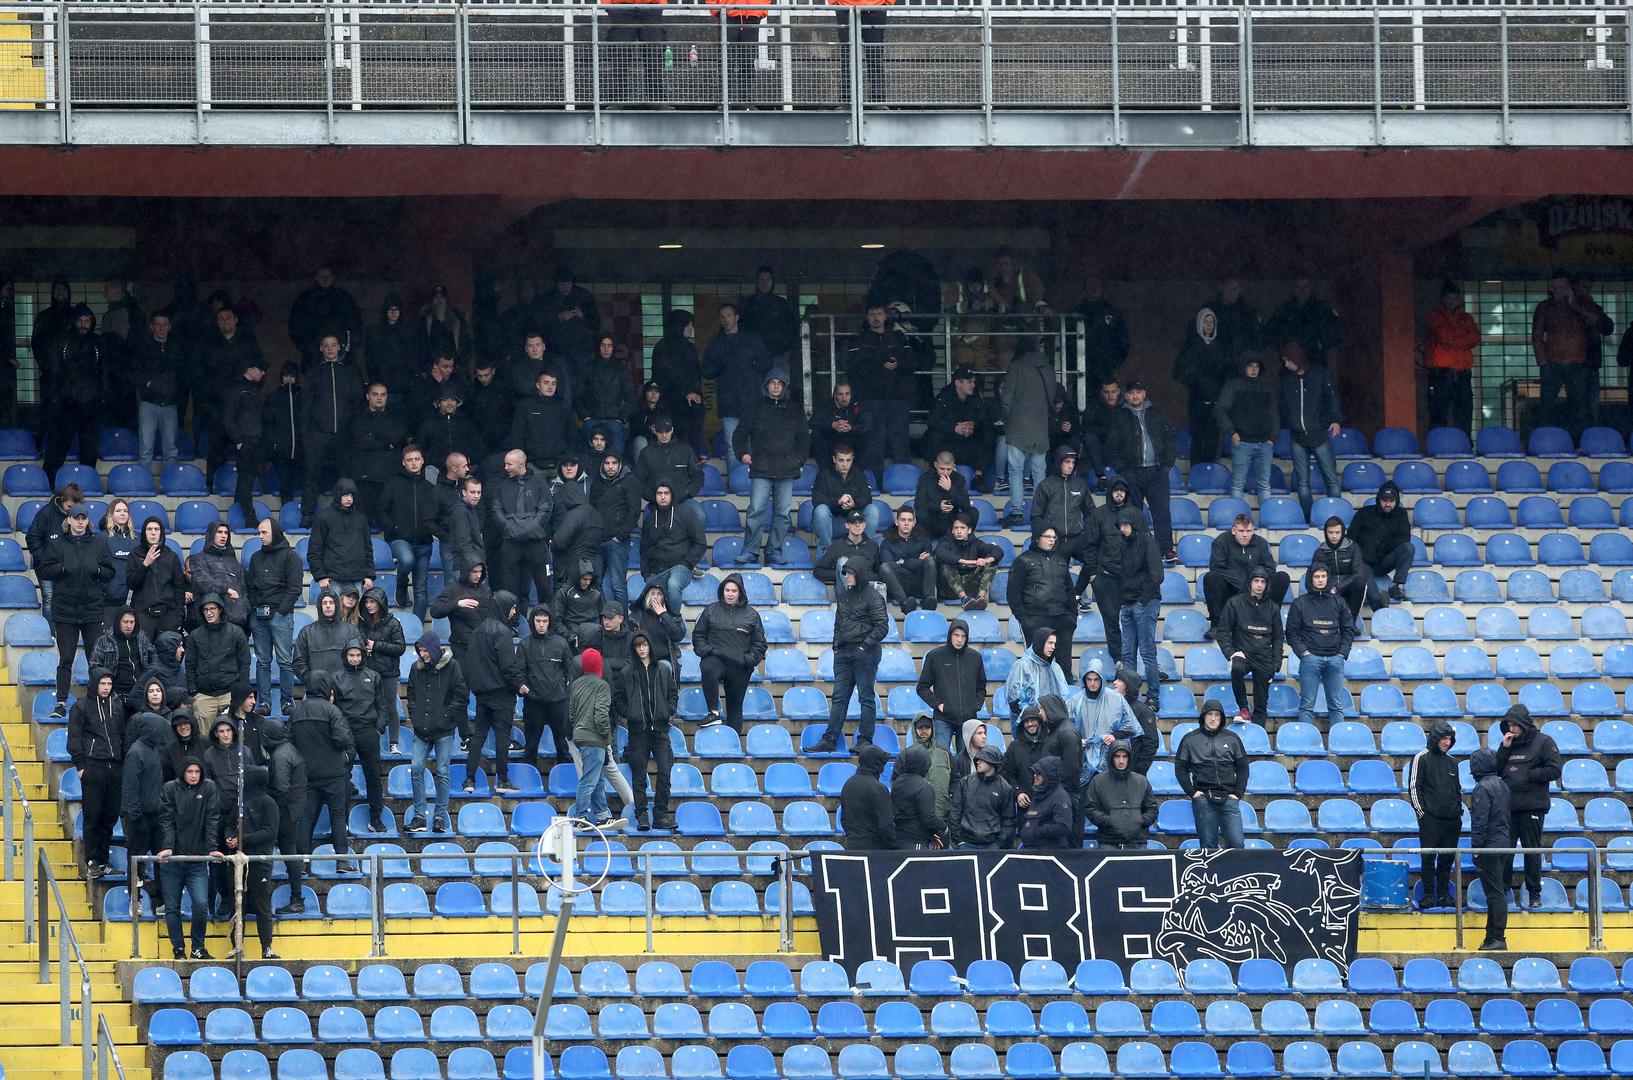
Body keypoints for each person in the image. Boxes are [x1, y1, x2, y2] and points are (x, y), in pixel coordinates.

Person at [38, 502, 114, 716]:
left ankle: (97, 701)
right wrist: (62, 568)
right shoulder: (57, 544)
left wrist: (97, 569)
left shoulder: (98, 543)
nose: (80, 522)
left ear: (88, 521)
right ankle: (61, 702)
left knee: (96, 659)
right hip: (65, 611)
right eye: (76, 518)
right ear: (69, 520)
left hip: (92, 609)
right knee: (66, 658)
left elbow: (110, 572)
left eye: (83, 518)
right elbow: (44, 569)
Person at [732, 367, 808, 566]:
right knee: (756, 510)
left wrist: (800, 459)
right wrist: (742, 454)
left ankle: (774, 551)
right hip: (761, 467)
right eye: (772, 382)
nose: (776, 386)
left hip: (787, 468)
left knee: (782, 513)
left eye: (780, 383)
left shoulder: (795, 408)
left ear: (784, 386)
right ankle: (750, 550)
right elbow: (739, 433)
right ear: (766, 385)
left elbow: (804, 438)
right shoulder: (754, 407)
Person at [812, 564, 887, 753]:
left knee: (866, 697)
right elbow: (838, 624)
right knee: (839, 697)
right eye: (845, 573)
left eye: (850, 573)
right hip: (844, 653)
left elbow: (882, 627)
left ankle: (865, 741)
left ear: (859, 574)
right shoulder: (844, 596)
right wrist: (836, 646)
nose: (846, 576)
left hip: (866, 653)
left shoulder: (874, 596)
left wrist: (864, 646)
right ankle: (830, 739)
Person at [1495, 704, 1561, 911]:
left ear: (1524, 723)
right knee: (1506, 851)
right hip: (1509, 807)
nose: (1511, 728)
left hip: (1533, 807)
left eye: (1515, 724)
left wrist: (1531, 775)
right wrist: (1504, 748)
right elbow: (1496, 769)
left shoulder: (1544, 742)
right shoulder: (1508, 744)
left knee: (1532, 851)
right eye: (1509, 724)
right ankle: (1504, 892)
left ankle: (1534, 893)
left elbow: (1554, 769)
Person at [291, 669, 356, 875]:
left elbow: (289, 742)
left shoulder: (296, 712)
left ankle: (302, 862)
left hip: (308, 775)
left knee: (306, 818)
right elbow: (343, 740)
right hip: (334, 773)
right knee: (338, 816)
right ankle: (342, 861)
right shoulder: (332, 711)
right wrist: (344, 758)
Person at [156, 757, 222, 959]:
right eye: (189, 771)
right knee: (172, 907)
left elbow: (212, 818)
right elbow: (166, 819)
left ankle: (197, 947)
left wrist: (212, 848)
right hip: (173, 861)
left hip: (197, 860)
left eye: (197, 772)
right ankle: (178, 949)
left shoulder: (209, 788)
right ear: (183, 772)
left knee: (201, 904)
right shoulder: (170, 789)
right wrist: (167, 847)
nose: (194, 775)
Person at [463, 591, 527, 794]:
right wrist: (518, 685)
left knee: (478, 737)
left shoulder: (477, 631)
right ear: (504, 607)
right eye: (513, 607)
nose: (515, 611)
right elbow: (508, 666)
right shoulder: (503, 632)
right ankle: (503, 780)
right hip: (501, 694)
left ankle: (469, 780)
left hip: (482, 694)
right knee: (502, 737)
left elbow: (469, 664)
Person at [1106, 381, 1178, 563]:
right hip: (1132, 471)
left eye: (1138, 392)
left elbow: (1170, 441)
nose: (1135, 396)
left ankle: (1166, 549)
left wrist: (1166, 466)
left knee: (1162, 512)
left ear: (1145, 393)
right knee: (1132, 513)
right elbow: (1112, 446)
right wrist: (1123, 470)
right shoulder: (1119, 416)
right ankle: (1134, 550)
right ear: (1126, 395)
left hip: (1157, 470)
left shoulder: (1158, 414)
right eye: (1131, 393)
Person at [404, 632, 466, 834]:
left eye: (425, 650)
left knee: (442, 771)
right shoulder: (416, 668)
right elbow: (411, 695)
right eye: (420, 651)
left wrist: (445, 718)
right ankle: (419, 815)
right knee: (416, 768)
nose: (423, 655)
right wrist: (416, 717)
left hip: (444, 730)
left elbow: (460, 696)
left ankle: (440, 815)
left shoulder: (453, 667)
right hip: (421, 729)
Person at [1532, 271, 1607, 438]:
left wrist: (1576, 306)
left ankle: (1578, 442)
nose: (1560, 290)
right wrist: (1543, 362)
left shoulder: (1583, 305)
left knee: (1579, 407)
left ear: (1570, 287)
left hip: (1578, 363)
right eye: (1556, 286)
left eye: (1563, 286)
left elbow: (1597, 322)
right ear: (1551, 288)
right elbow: (1537, 337)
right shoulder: (1544, 307)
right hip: (1553, 362)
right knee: (1547, 406)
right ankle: (1545, 440)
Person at [300, 333, 364, 526]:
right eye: (326, 345)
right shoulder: (313, 372)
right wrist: (306, 434)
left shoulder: (350, 372)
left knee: (347, 476)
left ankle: (348, 512)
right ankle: (308, 514)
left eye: (333, 345)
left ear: (339, 347)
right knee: (311, 475)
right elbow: (305, 406)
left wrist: (355, 432)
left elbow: (357, 403)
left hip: (344, 434)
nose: (330, 349)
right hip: (318, 434)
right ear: (321, 349)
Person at [69, 667, 125, 879]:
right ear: (94, 684)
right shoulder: (80, 707)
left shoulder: (117, 707)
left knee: (109, 816)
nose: (106, 687)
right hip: (93, 766)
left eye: (109, 684)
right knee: (92, 816)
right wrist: (81, 766)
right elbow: (74, 738)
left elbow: (122, 735)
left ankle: (104, 860)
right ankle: (92, 860)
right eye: (102, 683)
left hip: (115, 767)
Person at [692, 574, 767, 732]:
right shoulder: (711, 610)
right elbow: (698, 636)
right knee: (707, 667)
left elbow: (760, 644)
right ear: (722, 591)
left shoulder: (752, 614)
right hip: (716, 659)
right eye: (727, 590)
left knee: (735, 708)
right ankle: (713, 712)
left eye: (734, 590)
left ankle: (734, 747)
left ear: (740, 592)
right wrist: (707, 651)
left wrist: (748, 660)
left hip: (739, 666)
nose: (730, 594)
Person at [845, 303, 915, 471]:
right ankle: (875, 483)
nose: (876, 318)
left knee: (901, 442)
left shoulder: (899, 337)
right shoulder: (859, 339)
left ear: (885, 316)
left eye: (879, 313)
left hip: (897, 398)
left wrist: (898, 364)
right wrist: (879, 365)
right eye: (871, 313)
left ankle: (903, 479)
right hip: (871, 399)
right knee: (874, 443)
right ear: (867, 317)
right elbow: (852, 368)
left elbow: (913, 362)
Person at [619, 631, 676, 832]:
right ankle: (642, 815)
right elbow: (618, 699)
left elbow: (672, 694)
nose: (642, 649)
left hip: (660, 730)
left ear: (650, 646)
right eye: (638, 646)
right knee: (639, 776)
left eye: (644, 645)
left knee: (665, 772)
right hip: (638, 732)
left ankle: (660, 815)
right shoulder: (627, 672)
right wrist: (631, 714)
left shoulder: (663, 669)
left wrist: (667, 711)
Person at [41, 304, 106, 479]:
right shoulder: (63, 341)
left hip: (91, 405)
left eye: (87, 321)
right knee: (57, 448)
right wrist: (54, 398)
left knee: (89, 450)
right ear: (74, 321)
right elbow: (53, 371)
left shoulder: (97, 343)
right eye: (80, 320)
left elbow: (104, 372)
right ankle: (48, 485)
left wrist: (102, 397)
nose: (84, 324)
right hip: (66, 403)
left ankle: (87, 485)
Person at [377, 446, 443, 618]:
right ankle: (401, 584)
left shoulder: (431, 486)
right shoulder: (393, 483)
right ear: (403, 463)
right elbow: (381, 511)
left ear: (423, 461)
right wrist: (394, 528)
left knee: (421, 589)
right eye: (409, 460)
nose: (413, 463)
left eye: (416, 459)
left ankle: (418, 629)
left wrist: (434, 529)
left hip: (424, 542)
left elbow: (438, 511)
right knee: (406, 560)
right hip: (399, 538)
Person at [1279, 342, 1343, 521]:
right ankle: (1308, 517)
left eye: (1287, 361)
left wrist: (1336, 420)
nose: (1285, 365)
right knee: (1303, 482)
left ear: (1296, 359)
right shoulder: (1287, 380)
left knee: (1331, 480)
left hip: (1320, 434)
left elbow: (1332, 399)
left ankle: (1336, 517)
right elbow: (1282, 406)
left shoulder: (1320, 375)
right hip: (1297, 436)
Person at [1287, 564, 1355, 729]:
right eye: (1317, 577)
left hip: (1335, 659)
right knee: (1307, 705)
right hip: (1310, 660)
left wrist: (1342, 654)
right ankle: (1305, 742)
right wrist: (1304, 653)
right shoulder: (1299, 603)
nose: (1320, 580)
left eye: (1323, 576)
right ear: (1311, 579)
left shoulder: (1339, 602)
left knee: (1336, 706)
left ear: (1328, 578)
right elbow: (1291, 633)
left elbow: (1348, 629)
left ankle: (1339, 742)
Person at [999, 347, 1062, 525]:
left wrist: (1006, 418)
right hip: (1040, 424)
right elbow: (1052, 397)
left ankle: (1017, 511)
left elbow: (1007, 398)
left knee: (1015, 469)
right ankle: (1039, 512)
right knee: (1038, 470)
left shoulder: (1016, 366)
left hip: (1018, 424)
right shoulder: (1048, 368)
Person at [247, 519, 303, 717]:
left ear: (275, 533)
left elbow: (294, 589)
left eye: (264, 532)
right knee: (262, 662)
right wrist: (255, 607)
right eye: (259, 532)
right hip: (258, 616)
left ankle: (287, 702)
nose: (260, 536)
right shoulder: (255, 557)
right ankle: (264, 703)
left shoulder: (291, 557)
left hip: (280, 615)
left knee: (284, 661)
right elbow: (250, 586)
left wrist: (281, 612)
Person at [1174, 700, 1247, 849]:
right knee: (1208, 848)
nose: (1213, 718)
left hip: (1229, 798)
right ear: (1203, 717)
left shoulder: (1232, 738)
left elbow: (1242, 767)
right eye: (1209, 714)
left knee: (1237, 844)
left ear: (1221, 718)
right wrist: (1192, 792)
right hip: (1204, 800)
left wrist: (1238, 793)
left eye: (1217, 715)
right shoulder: (1190, 739)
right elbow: (1180, 767)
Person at [1008, 525, 1076, 684]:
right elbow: (1013, 592)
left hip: (1062, 618)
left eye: (1054, 537)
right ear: (1037, 538)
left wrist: (1072, 617)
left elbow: (1070, 590)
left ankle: (1064, 704)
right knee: (1036, 667)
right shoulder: (1023, 560)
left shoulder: (1060, 560)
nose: (1051, 540)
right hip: (1035, 619)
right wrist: (1024, 619)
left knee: (1064, 666)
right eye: (1047, 537)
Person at [1217, 567, 1284, 725]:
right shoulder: (1235, 603)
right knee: (1237, 668)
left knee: (1261, 705)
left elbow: (1278, 637)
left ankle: (1259, 735)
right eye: (1256, 581)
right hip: (1243, 654)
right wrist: (1231, 653)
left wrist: (1276, 663)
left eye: (1263, 582)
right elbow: (1223, 631)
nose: (1259, 585)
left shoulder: (1273, 608)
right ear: (1250, 583)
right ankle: (1243, 708)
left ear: (1267, 585)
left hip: (1265, 658)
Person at [1203, 514, 1290, 636]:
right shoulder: (1221, 542)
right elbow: (1216, 567)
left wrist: (1254, 580)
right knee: (1211, 578)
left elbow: (1270, 567)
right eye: (1241, 531)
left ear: (1253, 530)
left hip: (1257, 590)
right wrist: (1241, 583)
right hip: (1231, 590)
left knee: (1282, 577)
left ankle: (1270, 620)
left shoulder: (1260, 543)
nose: (1245, 535)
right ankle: (1217, 624)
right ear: (1233, 530)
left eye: (1248, 531)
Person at [1409, 719, 1461, 911]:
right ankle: (1429, 895)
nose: (1447, 742)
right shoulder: (1421, 758)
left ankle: (1444, 894)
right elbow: (1415, 787)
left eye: (1450, 739)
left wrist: (1458, 812)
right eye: (1444, 738)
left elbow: (1457, 790)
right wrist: (1423, 814)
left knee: (1446, 860)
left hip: (1451, 821)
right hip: (1430, 820)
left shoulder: (1452, 762)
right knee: (1428, 859)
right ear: (1435, 738)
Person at [121, 712, 171, 914]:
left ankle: (161, 902)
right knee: (137, 861)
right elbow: (130, 788)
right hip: (139, 818)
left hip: (155, 816)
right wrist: (135, 817)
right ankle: (136, 900)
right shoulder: (136, 753)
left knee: (162, 861)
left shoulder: (153, 750)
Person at [1171, 307, 1234, 465]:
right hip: (1197, 400)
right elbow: (1178, 372)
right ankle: (1197, 474)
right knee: (1198, 438)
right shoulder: (1192, 346)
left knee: (1213, 438)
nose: (1208, 325)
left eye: (1211, 322)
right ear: (1199, 323)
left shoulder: (1220, 347)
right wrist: (1196, 382)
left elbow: (1227, 371)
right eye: (1205, 322)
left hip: (1216, 400)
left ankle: (1210, 475)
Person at [491, 450, 555, 606]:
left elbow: (545, 509)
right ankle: (513, 625)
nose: (505, 467)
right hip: (511, 543)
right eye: (505, 463)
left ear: (521, 464)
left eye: (509, 464)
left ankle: (546, 622)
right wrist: (509, 528)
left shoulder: (539, 484)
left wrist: (530, 528)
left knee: (544, 586)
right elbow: (496, 511)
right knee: (510, 587)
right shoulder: (501, 487)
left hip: (536, 543)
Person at [229, 764, 280, 959]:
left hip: (260, 863)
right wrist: (230, 838)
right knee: (236, 906)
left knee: (262, 906)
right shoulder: (239, 803)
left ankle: (266, 947)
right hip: (237, 863)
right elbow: (228, 825)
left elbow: (269, 832)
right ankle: (237, 947)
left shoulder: (268, 803)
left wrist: (242, 840)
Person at [334, 644, 387, 831]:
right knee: (342, 778)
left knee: (373, 777)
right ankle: (343, 822)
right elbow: (334, 708)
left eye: (358, 655)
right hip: (346, 733)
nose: (355, 659)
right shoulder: (336, 677)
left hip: (368, 732)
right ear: (345, 656)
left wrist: (379, 729)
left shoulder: (373, 676)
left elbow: (382, 705)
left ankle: (376, 819)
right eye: (351, 655)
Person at [915, 617, 986, 755]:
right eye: (956, 635)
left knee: (966, 761)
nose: (959, 640)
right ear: (950, 635)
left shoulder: (975, 657)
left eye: (963, 636)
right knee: (941, 759)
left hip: (968, 719)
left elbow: (981, 686)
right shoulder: (935, 656)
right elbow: (922, 687)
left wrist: (975, 705)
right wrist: (938, 704)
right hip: (943, 718)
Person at [1115, 507, 1163, 710]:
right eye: (1121, 525)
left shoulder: (1148, 542)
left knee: (1147, 652)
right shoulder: (1124, 544)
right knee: (1127, 654)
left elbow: (1157, 575)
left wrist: (1142, 600)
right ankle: (1129, 697)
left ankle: (1153, 698)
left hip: (1145, 602)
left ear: (1134, 523)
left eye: (1126, 524)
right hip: (1128, 604)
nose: (1123, 529)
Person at [258, 717, 308, 912]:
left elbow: (280, 788)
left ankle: (291, 898)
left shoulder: (280, 755)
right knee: (290, 854)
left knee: (279, 853)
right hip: (293, 809)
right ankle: (296, 898)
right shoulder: (289, 749)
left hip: (284, 811)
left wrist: (270, 813)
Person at [1031, 445, 1094, 598]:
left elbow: (1091, 513)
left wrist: (1091, 535)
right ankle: (1067, 598)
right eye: (1067, 462)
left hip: (1076, 537)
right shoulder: (1045, 485)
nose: (1070, 466)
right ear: (1059, 462)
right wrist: (1044, 538)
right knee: (1057, 577)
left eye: (1073, 462)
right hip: (1055, 540)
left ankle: (1076, 595)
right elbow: (1035, 517)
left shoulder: (1080, 484)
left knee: (1096, 559)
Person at [1215, 356, 1277, 506]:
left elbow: (1275, 414)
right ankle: (1237, 522)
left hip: (1264, 443)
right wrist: (1232, 433)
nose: (1254, 369)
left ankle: (1266, 518)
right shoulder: (1233, 386)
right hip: (1242, 442)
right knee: (1237, 485)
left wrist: (1272, 438)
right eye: (1250, 366)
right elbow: (1220, 410)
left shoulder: (1266, 387)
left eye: (1257, 366)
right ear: (1243, 367)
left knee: (1264, 485)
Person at [520, 608, 576, 772]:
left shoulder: (561, 643)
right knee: (531, 745)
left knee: (562, 744)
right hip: (533, 701)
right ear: (533, 622)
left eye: (545, 621)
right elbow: (519, 671)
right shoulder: (525, 644)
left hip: (558, 701)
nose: (541, 625)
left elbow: (569, 669)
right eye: (538, 621)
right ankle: (529, 776)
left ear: (550, 622)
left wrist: (566, 690)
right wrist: (521, 685)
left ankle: (564, 775)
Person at [200, 714, 245, 919]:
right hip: (218, 814)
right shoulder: (209, 755)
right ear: (216, 734)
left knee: (241, 859)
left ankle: (244, 900)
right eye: (221, 731)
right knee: (218, 861)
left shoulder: (245, 752)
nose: (225, 735)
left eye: (228, 730)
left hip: (242, 814)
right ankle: (225, 899)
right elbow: (208, 785)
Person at [639, 482, 706, 614]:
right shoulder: (650, 519)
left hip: (680, 567)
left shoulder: (686, 514)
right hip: (656, 570)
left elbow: (700, 543)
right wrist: (646, 574)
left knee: (673, 585)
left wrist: (687, 563)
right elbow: (644, 549)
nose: (663, 497)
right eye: (659, 493)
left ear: (672, 495)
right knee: (648, 599)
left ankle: (675, 619)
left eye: (666, 493)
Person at [1470, 747, 1511, 951]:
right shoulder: (1502, 784)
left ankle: (1497, 937)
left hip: (1490, 846)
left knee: (1494, 893)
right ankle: (1491, 936)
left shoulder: (1482, 788)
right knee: (1497, 891)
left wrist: (1476, 848)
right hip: (1504, 843)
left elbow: (1480, 821)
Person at [1348, 481, 1412, 609]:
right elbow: (1350, 539)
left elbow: (1405, 540)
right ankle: (1381, 610)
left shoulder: (1401, 514)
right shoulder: (1363, 513)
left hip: (1385, 562)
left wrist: (1384, 545)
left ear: (1396, 501)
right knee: (1373, 594)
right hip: (1364, 563)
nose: (1388, 504)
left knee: (1408, 548)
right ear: (1379, 499)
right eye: (1384, 500)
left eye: (1391, 501)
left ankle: (1397, 586)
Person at [26, 482, 82, 627]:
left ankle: (64, 633)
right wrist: (44, 558)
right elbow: (32, 537)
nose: (72, 510)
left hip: (69, 565)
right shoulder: (46, 513)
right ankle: (51, 634)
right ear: (62, 500)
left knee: (68, 599)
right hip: (47, 565)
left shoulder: (80, 517)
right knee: (49, 599)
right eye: (69, 507)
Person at [811, 444, 885, 553]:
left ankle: (863, 547)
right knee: (821, 510)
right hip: (832, 523)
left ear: (852, 459)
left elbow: (867, 497)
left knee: (872, 509)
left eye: (848, 460)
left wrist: (854, 503)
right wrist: (838, 501)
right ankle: (827, 550)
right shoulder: (824, 474)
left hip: (853, 522)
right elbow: (816, 499)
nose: (845, 464)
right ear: (834, 459)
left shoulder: (859, 474)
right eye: (841, 460)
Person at [568, 647, 613, 826]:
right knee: (589, 780)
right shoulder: (602, 685)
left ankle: (602, 815)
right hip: (595, 738)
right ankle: (580, 816)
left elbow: (571, 714)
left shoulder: (576, 684)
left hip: (580, 736)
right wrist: (606, 737)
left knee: (597, 778)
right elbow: (601, 716)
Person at [590, 450, 641, 608]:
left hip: (617, 542)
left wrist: (620, 535)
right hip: (598, 541)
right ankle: (602, 621)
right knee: (595, 585)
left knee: (617, 585)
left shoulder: (630, 481)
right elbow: (591, 510)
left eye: (614, 463)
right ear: (602, 465)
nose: (610, 466)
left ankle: (623, 623)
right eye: (607, 463)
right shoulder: (597, 482)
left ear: (620, 464)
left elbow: (634, 511)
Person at [649, 311, 704, 455]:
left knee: (693, 446)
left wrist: (696, 396)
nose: (691, 329)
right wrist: (685, 393)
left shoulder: (690, 348)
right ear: (681, 326)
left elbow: (696, 376)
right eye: (690, 325)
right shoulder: (663, 347)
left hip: (691, 407)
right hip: (669, 406)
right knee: (669, 444)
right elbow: (663, 377)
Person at [1084, 741, 1156, 850]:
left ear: (1129, 758)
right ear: (1111, 758)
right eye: (1117, 757)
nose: (1121, 761)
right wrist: (1110, 821)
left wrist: (1139, 821)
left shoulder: (1141, 781)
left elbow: (1152, 809)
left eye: (1124, 757)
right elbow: (1091, 808)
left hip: (1137, 840)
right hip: (1108, 840)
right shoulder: (1098, 781)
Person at [924, 367, 992, 483]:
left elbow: (984, 420)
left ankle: (979, 476)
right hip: (949, 441)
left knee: (987, 434)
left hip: (968, 441)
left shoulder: (976, 398)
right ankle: (936, 474)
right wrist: (954, 428)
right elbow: (932, 421)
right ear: (957, 382)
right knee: (934, 436)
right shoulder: (944, 397)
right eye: (969, 382)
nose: (973, 385)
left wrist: (972, 425)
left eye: (974, 382)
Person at [358, 588, 405, 753]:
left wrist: (376, 646)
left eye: (372, 602)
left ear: (380, 603)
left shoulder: (393, 623)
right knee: (369, 707)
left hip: (388, 672)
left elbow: (400, 648)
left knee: (391, 707)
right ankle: (372, 742)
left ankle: (393, 743)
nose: (369, 605)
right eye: (367, 602)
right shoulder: (362, 623)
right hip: (368, 672)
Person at [308, 479, 374, 597]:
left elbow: (367, 549)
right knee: (333, 615)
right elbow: (314, 550)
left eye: (352, 495)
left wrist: (369, 575)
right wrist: (320, 576)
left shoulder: (361, 519)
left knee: (354, 615)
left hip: (357, 579)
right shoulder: (323, 518)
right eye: (345, 495)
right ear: (338, 495)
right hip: (332, 580)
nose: (349, 498)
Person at [221, 358, 267, 527]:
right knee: (245, 480)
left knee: (247, 480)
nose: (263, 374)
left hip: (256, 440)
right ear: (250, 369)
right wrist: (238, 439)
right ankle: (249, 517)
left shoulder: (256, 390)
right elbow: (228, 417)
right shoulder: (237, 389)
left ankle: (240, 516)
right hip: (245, 440)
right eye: (260, 369)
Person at [287, 265, 363, 364]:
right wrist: (311, 351)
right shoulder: (305, 299)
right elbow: (296, 329)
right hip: (313, 360)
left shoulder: (344, 298)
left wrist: (347, 350)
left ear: (333, 277)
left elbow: (355, 326)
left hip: (343, 359)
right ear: (316, 278)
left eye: (328, 276)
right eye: (321, 276)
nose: (325, 279)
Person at [128, 516, 185, 639]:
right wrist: (145, 564)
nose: (153, 532)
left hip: (168, 614)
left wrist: (179, 615)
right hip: (144, 614)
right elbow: (131, 584)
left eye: (156, 529)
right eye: (149, 529)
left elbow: (179, 587)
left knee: (169, 654)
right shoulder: (134, 555)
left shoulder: (171, 556)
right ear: (144, 533)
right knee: (144, 655)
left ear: (161, 532)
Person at [293, 588, 363, 686]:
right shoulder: (307, 632)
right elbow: (298, 663)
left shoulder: (351, 631)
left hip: (345, 690)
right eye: (324, 603)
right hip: (317, 690)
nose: (328, 606)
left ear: (337, 605)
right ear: (319, 606)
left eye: (331, 602)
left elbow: (359, 660)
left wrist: (348, 684)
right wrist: (311, 681)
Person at [1269, 274, 1342, 368]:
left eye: (1305, 286)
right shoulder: (1284, 309)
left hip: (1315, 361)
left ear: (1311, 287)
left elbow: (1335, 332)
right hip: (1291, 363)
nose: (1302, 289)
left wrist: (1319, 344)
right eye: (1299, 286)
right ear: (1294, 288)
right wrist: (1285, 346)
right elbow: (1272, 332)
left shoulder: (1322, 308)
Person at [949, 747, 1014, 849]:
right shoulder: (965, 782)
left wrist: (998, 843)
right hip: (966, 843)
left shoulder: (1005, 787)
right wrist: (959, 840)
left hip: (992, 845)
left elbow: (1008, 819)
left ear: (992, 762)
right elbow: (955, 812)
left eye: (982, 759)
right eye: (977, 759)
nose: (978, 762)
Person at [1004, 629, 1069, 729]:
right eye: (1050, 643)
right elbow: (1014, 699)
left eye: (1055, 643)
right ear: (1041, 642)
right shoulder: (1022, 666)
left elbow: (1063, 696)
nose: (1053, 647)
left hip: (1052, 725)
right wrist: (1032, 716)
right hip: (1030, 726)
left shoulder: (1054, 667)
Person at [1308, 516, 1368, 622]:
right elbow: (1314, 576)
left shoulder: (1353, 548)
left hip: (1349, 590)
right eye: (1330, 533)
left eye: (1337, 532)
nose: (1334, 536)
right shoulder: (1320, 552)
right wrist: (1329, 589)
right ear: (1326, 533)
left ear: (1343, 532)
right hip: (1328, 590)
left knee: (1360, 581)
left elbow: (1358, 573)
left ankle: (1350, 623)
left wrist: (1338, 587)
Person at [877, 506, 936, 615]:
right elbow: (888, 564)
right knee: (884, 567)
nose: (906, 523)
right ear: (896, 522)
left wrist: (902, 562)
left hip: (918, 583)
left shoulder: (924, 539)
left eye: (909, 520)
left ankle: (928, 600)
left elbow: (927, 561)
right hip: (899, 584)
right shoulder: (887, 542)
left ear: (914, 523)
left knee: (930, 561)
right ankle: (904, 603)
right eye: (903, 520)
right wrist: (917, 562)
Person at [935, 512, 999, 609]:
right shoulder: (946, 542)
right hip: (951, 588)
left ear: (969, 530)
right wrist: (965, 561)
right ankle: (964, 599)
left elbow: (997, 551)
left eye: (962, 528)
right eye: (956, 528)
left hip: (970, 585)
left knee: (992, 563)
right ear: (952, 530)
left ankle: (981, 597)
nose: (959, 531)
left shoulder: (976, 543)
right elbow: (940, 552)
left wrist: (986, 561)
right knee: (947, 563)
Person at [90, 609, 155, 705]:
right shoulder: (103, 640)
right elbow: (94, 667)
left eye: (132, 622)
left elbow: (154, 657)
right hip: (115, 694)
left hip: (140, 692)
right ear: (118, 622)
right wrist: (109, 689)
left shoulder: (142, 638)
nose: (129, 626)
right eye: (125, 622)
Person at [814, 509, 882, 600]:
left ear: (864, 525)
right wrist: (840, 575)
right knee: (843, 561)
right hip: (845, 591)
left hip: (867, 588)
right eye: (853, 522)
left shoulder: (872, 546)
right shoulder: (837, 546)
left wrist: (861, 575)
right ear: (847, 525)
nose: (857, 525)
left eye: (860, 522)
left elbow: (878, 572)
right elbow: (819, 571)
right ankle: (849, 602)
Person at [839, 743, 896, 850]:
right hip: (875, 851)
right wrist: (894, 847)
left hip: (852, 847)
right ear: (877, 764)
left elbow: (843, 820)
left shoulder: (848, 784)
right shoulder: (879, 788)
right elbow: (885, 825)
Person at [891, 746, 946, 850]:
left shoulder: (897, 783)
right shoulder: (924, 786)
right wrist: (944, 827)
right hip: (916, 842)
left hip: (898, 838)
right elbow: (929, 818)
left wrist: (930, 836)